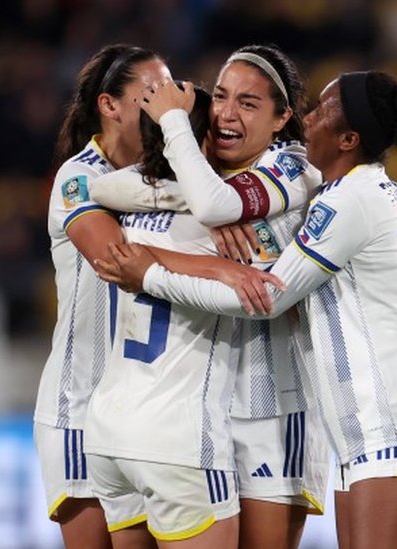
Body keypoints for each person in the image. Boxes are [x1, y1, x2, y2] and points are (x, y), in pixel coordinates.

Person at [96, 70, 397, 549]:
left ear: (348, 139)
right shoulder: (344, 192)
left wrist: (150, 275)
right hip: (363, 425)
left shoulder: (352, 201)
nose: (307, 121)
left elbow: (265, 298)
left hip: (393, 416)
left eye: (320, 113)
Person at [88, 45, 328, 549]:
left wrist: (178, 240)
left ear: (282, 118)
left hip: (269, 409)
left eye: (247, 103)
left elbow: (228, 234)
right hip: (197, 410)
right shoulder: (199, 176)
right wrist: (196, 210)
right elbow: (107, 189)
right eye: (219, 96)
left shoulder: (293, 172)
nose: (225, 113)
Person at [35, 43, 170, 549]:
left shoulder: (177, 177)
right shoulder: (79, 176)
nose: (166, 106)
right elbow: (115, 261)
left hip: (150, 411)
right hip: (82, 404)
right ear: (110, 106)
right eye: (151, 94)